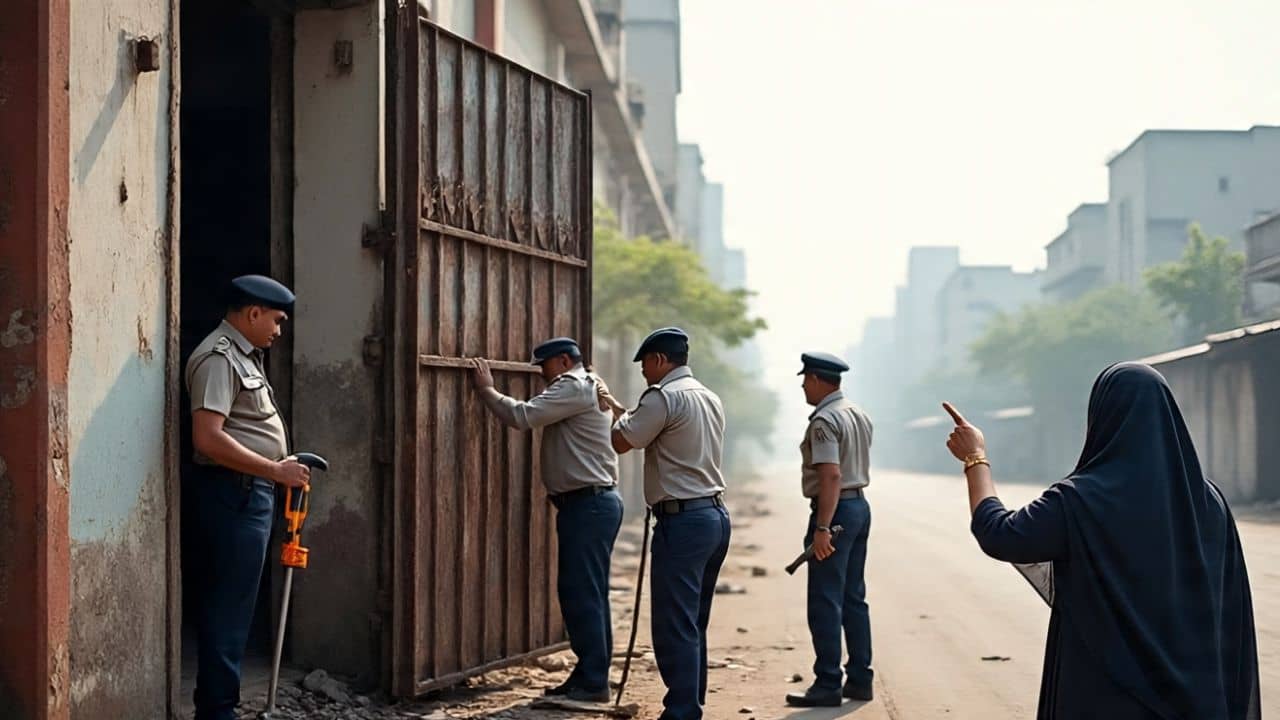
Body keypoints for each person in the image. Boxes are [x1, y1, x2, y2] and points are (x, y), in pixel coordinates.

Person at [942, 362, 1260, 720]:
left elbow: (1000, 534)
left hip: (1105, 693)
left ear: (1101, 419)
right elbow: (1228, 609)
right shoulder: (1207, 501)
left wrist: (975, 458)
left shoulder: (1079, 500)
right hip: (1195, 700)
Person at [185, 275, 311, 720]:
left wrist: (281, 464)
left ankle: (221, 706)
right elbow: (208, 439)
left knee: (237, 606)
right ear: (252, 313)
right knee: (228, 608)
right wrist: (275, 469)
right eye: (276, 320)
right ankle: (218, 711)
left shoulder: (245, 358)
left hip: (251, 492)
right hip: (232, 495)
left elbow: (245, 431)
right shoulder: (219, 358)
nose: (280, 329)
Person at [470, 337, 622, 703]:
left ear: (564, 361)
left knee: (581, 594)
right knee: (588, 593)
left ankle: (592, 680)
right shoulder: (587, 385)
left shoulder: (573, 386)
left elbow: (521, 417)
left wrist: (487, 390)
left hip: (588, 505)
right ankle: (590, 674)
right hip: (589, 505)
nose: (541, 375)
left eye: (544, 366)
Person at [598, 327, 731, 720]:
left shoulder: (661, 397)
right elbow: (661, 431)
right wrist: (627, 413)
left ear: (658, 360)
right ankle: (691, 704)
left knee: (674, 624)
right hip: (713, 517)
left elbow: (623, 442)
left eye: (644, 367)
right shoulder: (707, 396)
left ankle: (682, 711)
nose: (643, 374)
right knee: (693, 622)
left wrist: (615, 418)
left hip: (683, 523)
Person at [785, 352, 875, 708]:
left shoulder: (824, 419)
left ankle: (827, 683)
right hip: (859, 507)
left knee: (825, 600)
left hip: (835, 511)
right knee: (853, 597)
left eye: (806, 379)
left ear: (820, 381)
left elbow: (831, 475)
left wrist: (822, 527)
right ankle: (860, 679)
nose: (804, 386)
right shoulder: (857, 413)